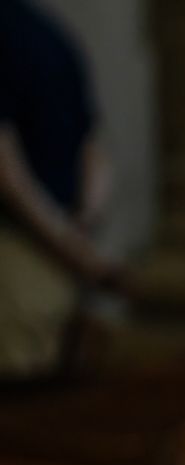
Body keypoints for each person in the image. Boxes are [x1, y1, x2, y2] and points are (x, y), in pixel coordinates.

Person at [0, 0, 120, 380]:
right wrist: (81, 231)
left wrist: (70, 248)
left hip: (18, 256)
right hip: (55, 264)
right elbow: (95, 151)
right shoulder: (54, 35)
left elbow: (6, 172)